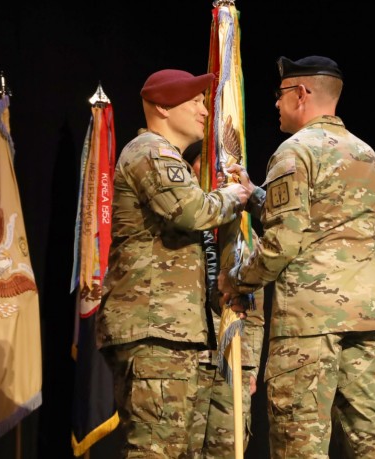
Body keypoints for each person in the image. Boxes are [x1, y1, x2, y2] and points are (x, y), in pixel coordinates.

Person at [218, 55, 375, 458]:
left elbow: (283, 242)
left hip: (309, 323)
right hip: (365, 318)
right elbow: (325, 220)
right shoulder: (365, 153)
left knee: (299, 443)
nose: (276, 104)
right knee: (373, 439)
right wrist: (255, 198)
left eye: (280, 94)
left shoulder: (295, 151)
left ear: (301, 94)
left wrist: (236, 279)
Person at [95, 68, 250, 458]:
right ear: (163, 106)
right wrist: (235, 195)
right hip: (153, 330)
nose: (203, 110)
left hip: (173, 332)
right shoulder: (150, 150)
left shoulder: (170, 158)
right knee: (156, 449)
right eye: (195, 100)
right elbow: (191, 211)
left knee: (178, 449)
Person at [181, 142, 266, 458]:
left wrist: (251, 364)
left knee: (228, 450)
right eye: (205, 168)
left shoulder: (245, 236)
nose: (214, 177)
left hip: (232, 361)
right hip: (189, 359)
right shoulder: (183, 229)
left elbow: (255, 309)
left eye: (220, 170)